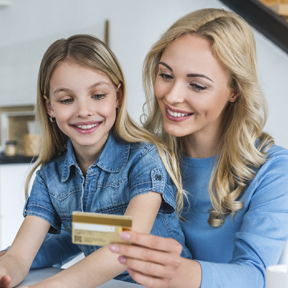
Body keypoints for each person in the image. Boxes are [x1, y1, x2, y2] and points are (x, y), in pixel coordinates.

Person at [1, 8, 288, 288]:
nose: (173, 96)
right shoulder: (144, 155)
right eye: (165, 75)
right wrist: (14, 259)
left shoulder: (274, 170)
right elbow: (89, 233)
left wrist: (167, 270)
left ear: (235, 90)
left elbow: (257, 276)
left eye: (197, 85)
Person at [0, 34, 191, 288]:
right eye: (67, 99)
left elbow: (126, 244)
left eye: (98, 95)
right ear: (50, 108)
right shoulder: (49, 177)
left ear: (118, 96)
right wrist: (8, 268)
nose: (84, 110)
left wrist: (53, 285)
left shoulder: (145, 159)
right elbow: (20, 256)